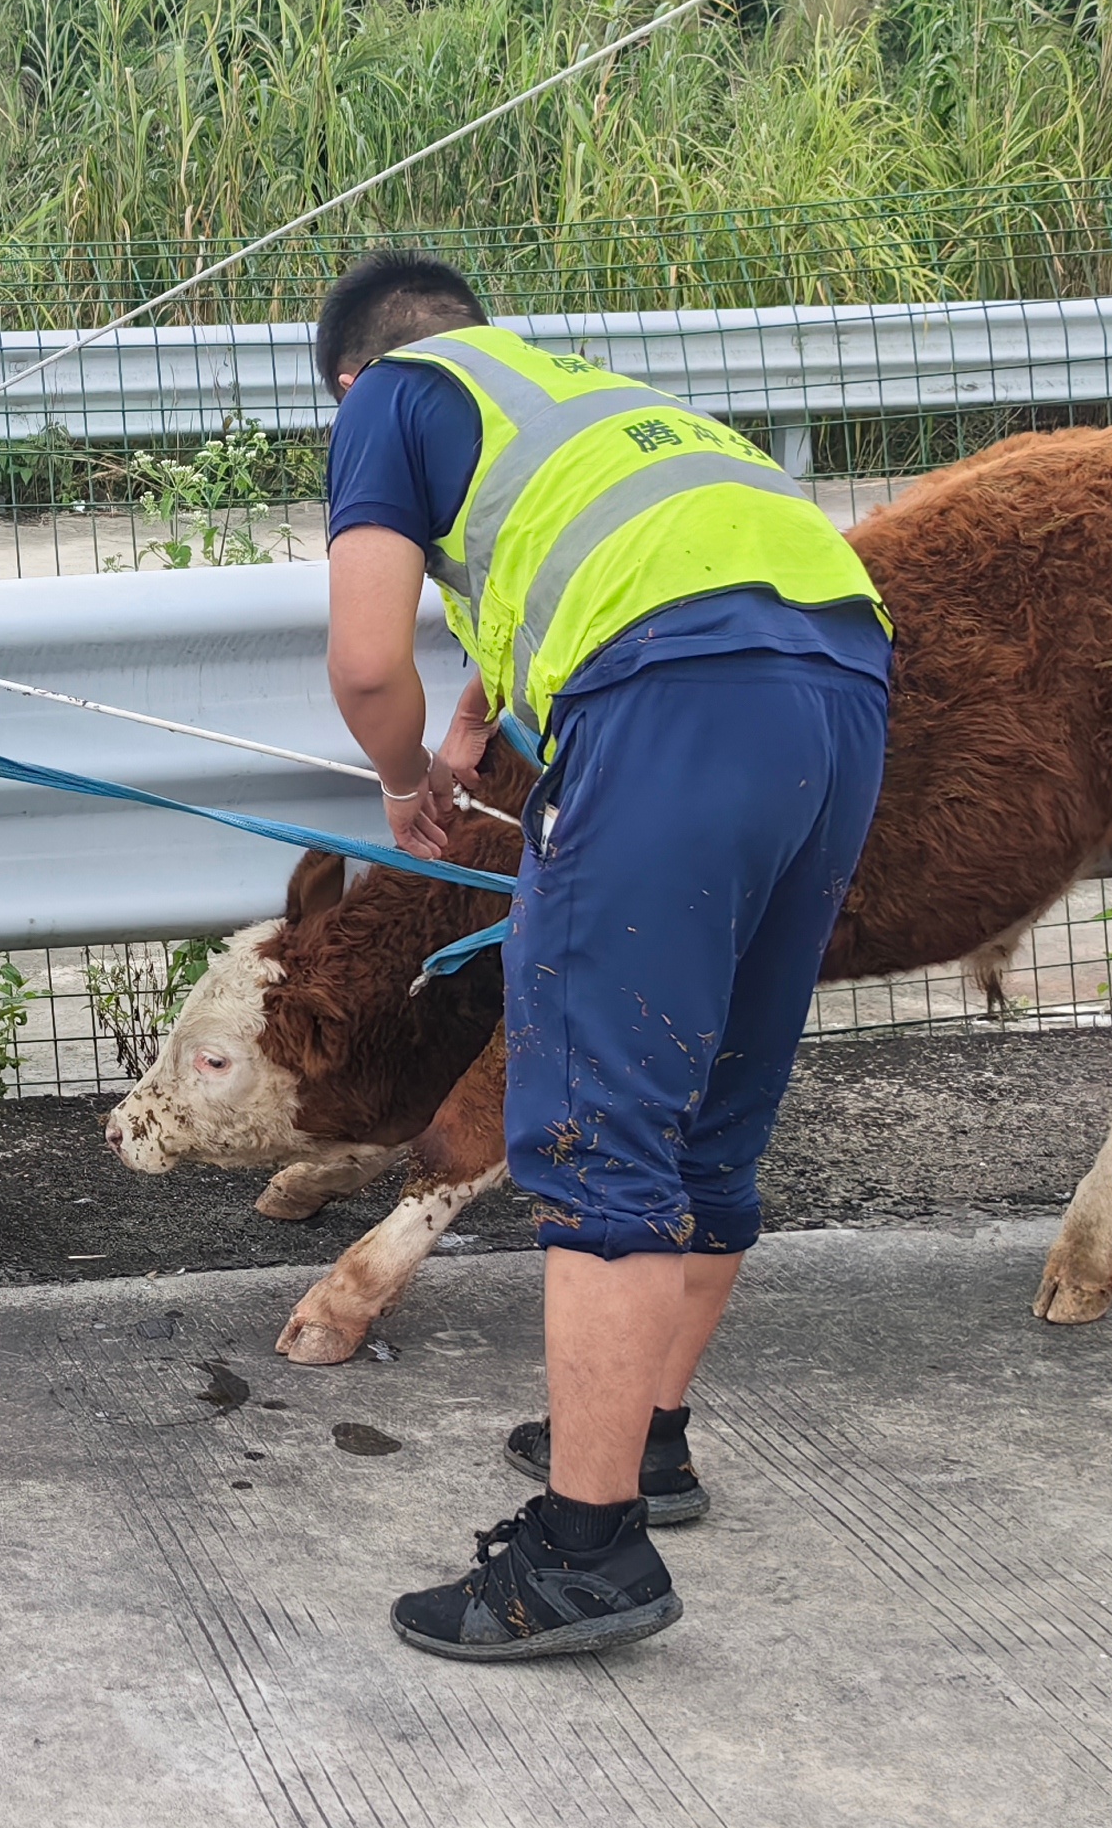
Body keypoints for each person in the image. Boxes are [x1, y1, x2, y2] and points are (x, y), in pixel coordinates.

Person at [313, 250, 892, 1660]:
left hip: (673, 702)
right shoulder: (596, 404)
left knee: (597, 1121)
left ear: (352, 376)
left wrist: (403, 783)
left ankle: (585, 1553)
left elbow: (366, 663)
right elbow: (595, 579)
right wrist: (483, 724)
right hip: (843, 691)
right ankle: (655, 1446)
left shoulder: (388, 393)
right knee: (715, 1106)